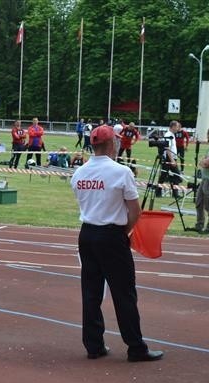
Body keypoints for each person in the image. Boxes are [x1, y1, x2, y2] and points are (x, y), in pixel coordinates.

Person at [70, 124, 163, 362]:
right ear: (112, 143)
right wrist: (124, 232)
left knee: (91, 292)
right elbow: (135, 210)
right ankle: (135, 347)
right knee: (124, 293)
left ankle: (93, 345)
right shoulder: (121, 172)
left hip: (87, 234)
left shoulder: (79, 173)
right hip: (112, 235)